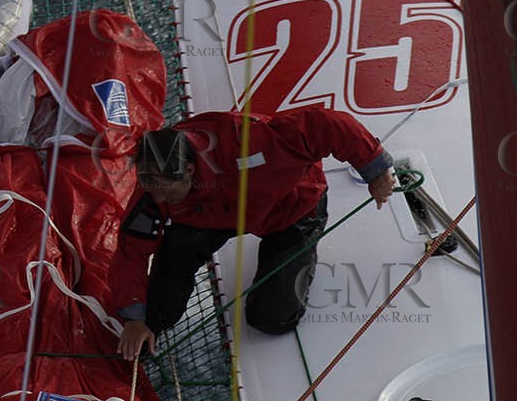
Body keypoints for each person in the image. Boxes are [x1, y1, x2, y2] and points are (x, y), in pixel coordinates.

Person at [114, 108, 395, 360]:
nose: (156, 197)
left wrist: (376, 169)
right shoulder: (156, 183)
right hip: (215, 215)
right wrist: (134, 318)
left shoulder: (253, 142)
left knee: (272, 318)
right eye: (148, 186)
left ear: (189, 171)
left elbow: (329, 124)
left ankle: (301, 250)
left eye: (163, 190)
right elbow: (131, 249)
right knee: (152, 309)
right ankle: (148, 330)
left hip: (289, 210)